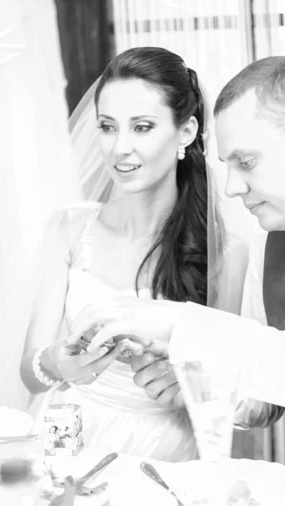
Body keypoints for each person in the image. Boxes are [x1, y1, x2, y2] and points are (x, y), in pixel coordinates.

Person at [74, 57, 285, 499]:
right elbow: (263, 405)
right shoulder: (268, 243)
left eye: (247, 162)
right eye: (227, 166)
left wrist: (181, 323)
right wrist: (198, 383)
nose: (233, 187)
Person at [20, 46, 209, 461]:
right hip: (69, 437)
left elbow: (245, 387)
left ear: (186, 131)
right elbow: (31, 375)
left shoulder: (218, 247)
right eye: (108, 127)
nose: (119, 147)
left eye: (142, 127)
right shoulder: (69, 229)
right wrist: (56, 363)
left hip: (166, 451)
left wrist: (189, 382)